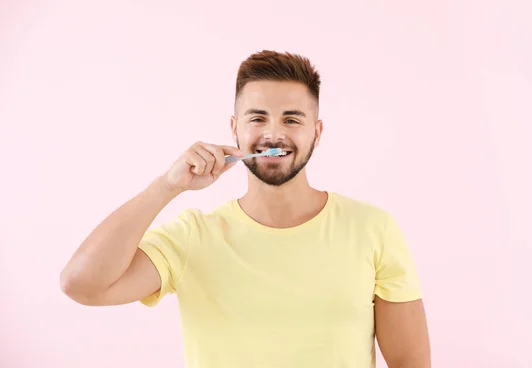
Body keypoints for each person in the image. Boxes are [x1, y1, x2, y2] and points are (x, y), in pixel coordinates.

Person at [60, 50, 431, 367]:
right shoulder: (192, 237)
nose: (273, 134)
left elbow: (410, 363)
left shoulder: (373, 229)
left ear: (316, 133)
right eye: (258, 118)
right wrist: (167, 186)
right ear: (235, 129)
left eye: (291, 119)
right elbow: (81, 284)